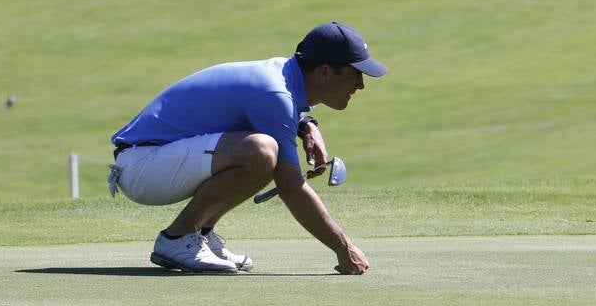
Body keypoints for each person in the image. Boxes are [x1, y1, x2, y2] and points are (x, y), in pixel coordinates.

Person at [108, 21, 387, 274]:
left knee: (265, 150)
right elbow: (290, 186)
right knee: (262, 151)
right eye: (355, 74)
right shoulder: (275, 93)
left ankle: (200, 233)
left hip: (154, 160)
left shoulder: (284, 76)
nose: (361, 85)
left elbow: (281, 108)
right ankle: (178, 237)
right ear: (325, 72)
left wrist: (307, 125)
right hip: (142, 166)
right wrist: (344, 247)